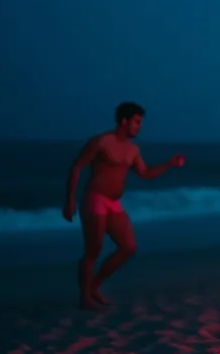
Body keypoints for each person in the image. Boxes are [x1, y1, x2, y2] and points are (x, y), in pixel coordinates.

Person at [63, 102, 185, 310]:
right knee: (93, 250)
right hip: (95, 198)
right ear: (124, 121)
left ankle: (93, 286)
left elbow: (144, 173)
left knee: (128, 247)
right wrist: (70, 199)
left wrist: (169, 164)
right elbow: (77, 167)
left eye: (140, 123)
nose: (139, 126)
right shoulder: (101, 141)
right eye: (137, 122)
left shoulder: (133, 149)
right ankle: (85, 298)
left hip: (114, 202)